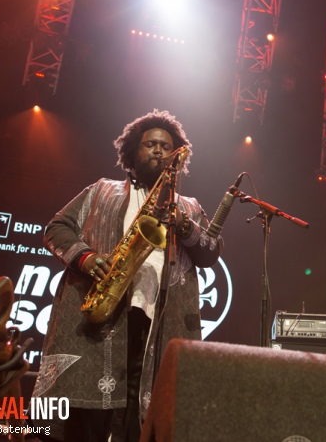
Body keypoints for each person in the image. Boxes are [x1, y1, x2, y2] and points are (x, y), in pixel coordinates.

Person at [33, 109, 222, 442]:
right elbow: (56, 228)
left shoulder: (189, 205)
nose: (159, 150)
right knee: (87, 417)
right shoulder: (101, 191)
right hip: (104, 316)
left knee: (143, 418)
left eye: (166, 146)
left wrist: (184, 223)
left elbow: (210, 252)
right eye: (150, 144)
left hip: (158, 323)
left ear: (176, 157)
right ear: (134, 150)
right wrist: (87, 259)